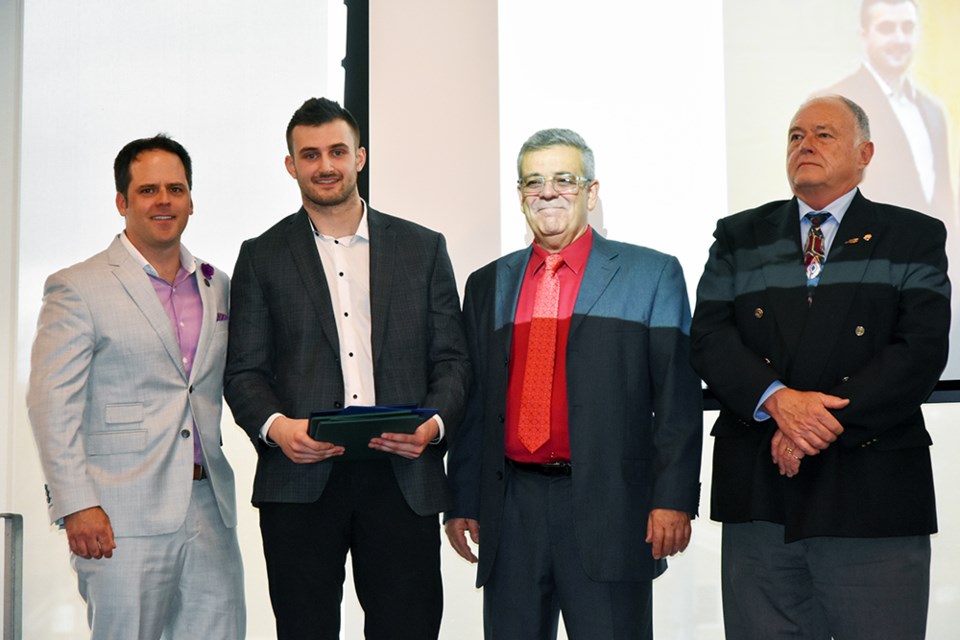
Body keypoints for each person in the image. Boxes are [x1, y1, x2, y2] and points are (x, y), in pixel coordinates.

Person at [691, 95, 949, 639]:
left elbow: (920, 352)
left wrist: (810, 426)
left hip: (871, 499)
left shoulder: (913, 237)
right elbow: (710, 337)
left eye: (824, 134)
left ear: (865, 153)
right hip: (759, 500)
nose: (805, 144)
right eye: (794, 135)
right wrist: (778, 403)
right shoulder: (740, 237)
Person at [223, 97, 470, 640]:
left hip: (402, 475)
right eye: (309, 154)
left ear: (360, 156)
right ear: (291, 165)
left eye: (337, 151)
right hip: (299, 476)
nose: (325, 165)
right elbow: (244, 372)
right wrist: (276, 428)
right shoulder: (260, 256)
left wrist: (431, 427)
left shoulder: (423, 248)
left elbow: (452, 360)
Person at [445, 128, 703, 639]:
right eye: (533, 182)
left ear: (592, 190)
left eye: (565, 179)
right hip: (512, 510)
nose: (548, 192)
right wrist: (462, 500)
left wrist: (673, 497)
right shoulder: (488, 284)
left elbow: (677, 397)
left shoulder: (650, 275)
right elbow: (475, 404)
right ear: (520, 195)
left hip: (613, 510)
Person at [27, 134, 245, 639]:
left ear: (192, 199)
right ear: (122, 202)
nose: (164, 200)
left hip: (210, 509)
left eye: (176, 188)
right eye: (148, 190)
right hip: (117, 516)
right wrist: (76, 502)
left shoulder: (219, 284)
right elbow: (50, 404)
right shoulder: (78, 286)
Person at [822, 0, 955, 232]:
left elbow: (943, 198)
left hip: (931, 258)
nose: (899, 39)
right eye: (886, 28)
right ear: (864, 35)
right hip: (867, 255)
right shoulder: (833, 104)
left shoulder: (933, 111)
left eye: (907, 27)